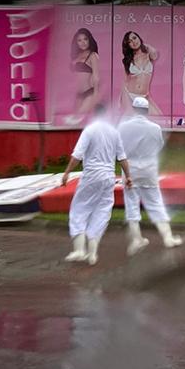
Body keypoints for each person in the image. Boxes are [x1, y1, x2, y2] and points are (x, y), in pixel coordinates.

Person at [60, 105, 132, 265]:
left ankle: (79, 250)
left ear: (94, 114)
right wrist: (128, 176)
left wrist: (67, 172)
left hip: (92, 175)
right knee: (102, 212)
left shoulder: (90, 130)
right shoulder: (114, 132)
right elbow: (122, 158)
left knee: (79, 209)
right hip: (108, 177)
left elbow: (77, 155)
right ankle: (92, 254)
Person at [118, 95, 182, 254]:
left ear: (133, 109)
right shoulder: (155, 128)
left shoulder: (123, 126)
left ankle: (136, 239)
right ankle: (168, 238)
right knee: (156, 202)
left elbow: (118, 149)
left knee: (131, 204)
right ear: (147, 110)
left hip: (129, 169)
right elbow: (159, 146)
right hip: (149, 168)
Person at [120, 30, 162, 114]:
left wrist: (145, 46)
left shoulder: (148, 54)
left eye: (134, 38)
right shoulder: (128, 60)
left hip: (144, 96)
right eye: (130, 42)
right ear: (128, 45)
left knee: (159, 117)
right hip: (130, 95)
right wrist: (122, 99)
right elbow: (125, 80)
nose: (133, 42)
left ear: (139, 38)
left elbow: (155, 55)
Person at [69, 28, 101, 118]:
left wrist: (96, 97)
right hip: (78, 94)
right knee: (76, 120)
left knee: (78, 117)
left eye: (85, 39)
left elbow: (96, 77)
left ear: (89, 40)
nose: (83, 42)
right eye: (79, 40)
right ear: (76, 43)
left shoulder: (93, 55)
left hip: (89, 93)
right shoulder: (76, 56)